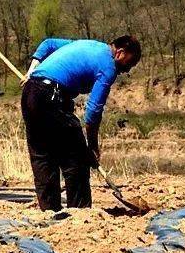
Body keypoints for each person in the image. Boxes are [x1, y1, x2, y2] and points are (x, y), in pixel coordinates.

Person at [20, 35, 141, 211]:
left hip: (31, 93)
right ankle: (80, 212)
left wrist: (32, 71)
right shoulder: (108, 67)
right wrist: (91, 147)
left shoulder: (88, 45)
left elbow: (48, 43)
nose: (127, 70)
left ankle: (49, 211)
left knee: (43, 157)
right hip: (52, 97)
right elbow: (93, 112)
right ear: (120, 53)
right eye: (129, 63)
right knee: (76, 160)